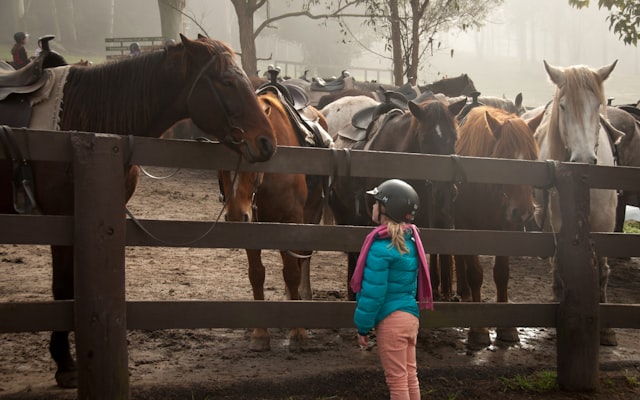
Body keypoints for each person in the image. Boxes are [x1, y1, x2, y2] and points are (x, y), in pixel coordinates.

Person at [351, 179, 433, 400]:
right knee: (409, 376)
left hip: (390, 321)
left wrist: (363, 327)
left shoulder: (380, 247)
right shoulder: (411, 242)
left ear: (387, 209)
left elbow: (373, 293)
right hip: (410, 317)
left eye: (376, 202)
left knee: (397, 382)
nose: (373, 206)